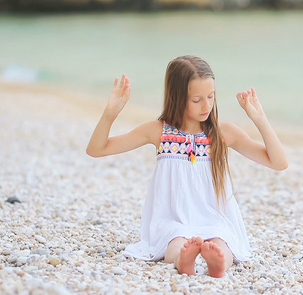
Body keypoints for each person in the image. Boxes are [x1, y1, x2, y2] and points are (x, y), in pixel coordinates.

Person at [86, 55, 288, 278]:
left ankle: (218, 264)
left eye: (211, 96)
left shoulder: (223, 133)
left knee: (223, 241)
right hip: (173, 218)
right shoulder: (159, 131)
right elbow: (97, 149)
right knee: (175, 240)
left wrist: (259, 119)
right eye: (196, 100)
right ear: (178, 98)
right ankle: (184, 259)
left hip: (214, 218)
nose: (206, 105)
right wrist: (110, 113)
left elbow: (278, 162)